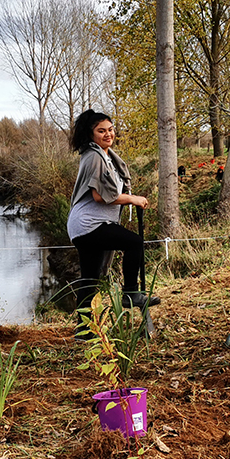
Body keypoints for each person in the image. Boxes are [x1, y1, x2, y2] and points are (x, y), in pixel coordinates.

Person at [66, 109, 156, 337]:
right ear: (91, 134)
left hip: (84, 225)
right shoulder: (95, 157)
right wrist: (132, 199)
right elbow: (100, 196)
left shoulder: (103, 155)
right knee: (134, 242)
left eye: (110, 129)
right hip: (89, 224)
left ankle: (84, 330)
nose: (108, 134)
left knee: (90, 277)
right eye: (101, 131)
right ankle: (130, 293)